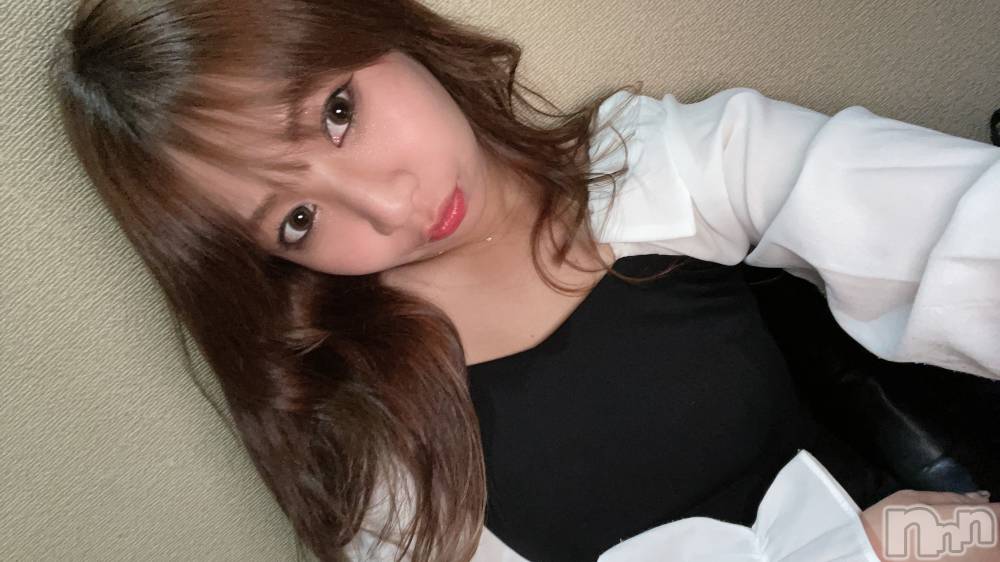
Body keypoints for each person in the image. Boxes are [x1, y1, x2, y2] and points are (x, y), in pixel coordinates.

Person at [51, 0, 999, 560]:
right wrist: (879, 547)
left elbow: (953, 226)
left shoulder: (654, 168)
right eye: (297, 221)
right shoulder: (376, 439)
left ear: (366, 23)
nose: (390, 207)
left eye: (338, 112)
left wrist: (948, 537)